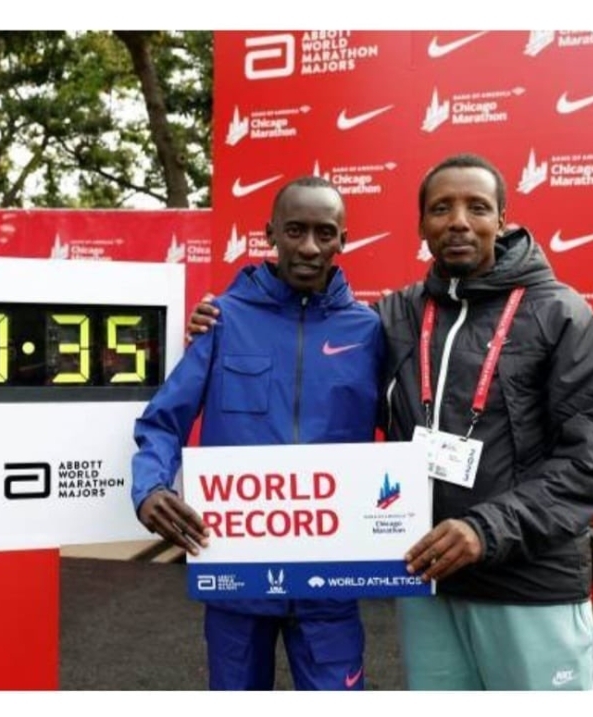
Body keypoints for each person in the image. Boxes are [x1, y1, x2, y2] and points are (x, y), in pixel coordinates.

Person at [186, 153, 593, 690]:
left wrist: (485, 530)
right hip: (427, 582)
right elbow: (313, 362)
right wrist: (225, 322)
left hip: (527, 584)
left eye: (477, 207)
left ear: (503, 220)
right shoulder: (396, 315)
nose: (459, 221)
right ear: (422, 226)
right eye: (442, 208)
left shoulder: (561, 314)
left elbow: (592, 457)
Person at [131, 176, 385, 690]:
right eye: (295, 230)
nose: (310, 247)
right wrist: (150, 489)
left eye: (325, 232)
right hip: (237, 574)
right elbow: (163, 420)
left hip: (329, 578)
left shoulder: (370, 330)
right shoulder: (222, 320)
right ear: (270, 233)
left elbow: (411, 426)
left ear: (344, 240)